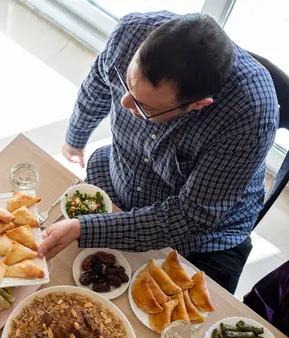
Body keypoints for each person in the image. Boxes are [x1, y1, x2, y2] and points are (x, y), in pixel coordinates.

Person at [37, 12, 278, 293]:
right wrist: (75, 138)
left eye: (144, 107)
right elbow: (98, 85)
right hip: (119, 180)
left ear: (197, 105)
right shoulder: (131, 31)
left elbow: (191, 216)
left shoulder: (249, 113)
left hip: (199, 233)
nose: (125, 102)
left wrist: (86, 228)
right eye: (127, 81)